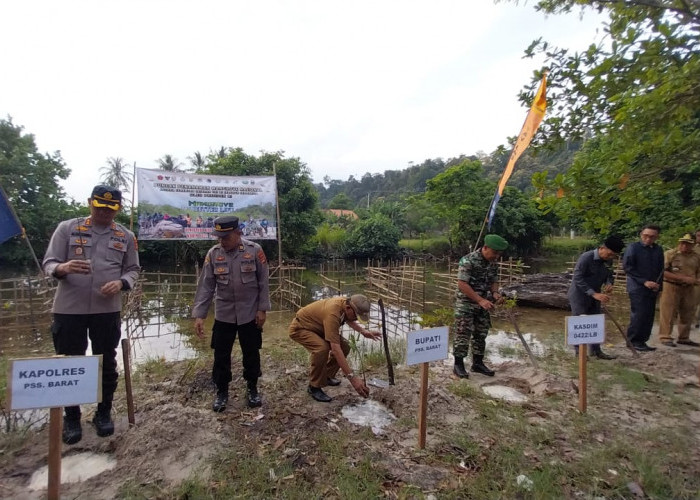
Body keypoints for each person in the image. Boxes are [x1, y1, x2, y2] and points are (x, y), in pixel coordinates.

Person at [42, 185, 140, 445]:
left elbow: (133, 269)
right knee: (68, 364)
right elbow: (48, 263)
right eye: (100, 206)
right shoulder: (68, 228)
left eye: (111, 208)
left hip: (106, 311)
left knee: (106, 362)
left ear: (118, 209)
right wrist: (62, 267)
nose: (104, 212)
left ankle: (103, 412)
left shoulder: (126, 235)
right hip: (68, 309)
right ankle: (72, 417)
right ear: (89, 203)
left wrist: (121, 283)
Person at [192, 216, 270, 412]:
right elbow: (206, 286)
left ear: (238, 233)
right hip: (224, 314)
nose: (222, 241)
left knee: (251, 352)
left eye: (226, 237)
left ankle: (252, 388)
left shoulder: (254, 251)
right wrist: (200, 315)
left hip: (249, 313)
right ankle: (222, 391)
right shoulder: (213, 254)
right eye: (219, 237)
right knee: (221, 355)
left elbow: (263, 282)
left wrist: (262, 309)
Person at [289, 295, 381, 402]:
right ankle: (314, 387)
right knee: (321, 349)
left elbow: (348, 319)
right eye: (356, 316)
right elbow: (336, 349)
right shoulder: (333, 313)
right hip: (301, 327)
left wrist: (364, 332)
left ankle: (327, 376)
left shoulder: (345, 305)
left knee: (345, 347)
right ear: (348, 308)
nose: (356, 319)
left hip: (319, 327)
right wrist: (353, 379)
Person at [453, 234, 508, 378]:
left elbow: (494, 279)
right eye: (494, 253)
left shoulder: (492, 263)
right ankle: (458, 365)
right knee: (462, 333)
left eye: (498, 254)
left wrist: (495, 293)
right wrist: (479, 300)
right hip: (466, 304)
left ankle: (477, 363)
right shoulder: (468, 260)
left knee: (481, 333)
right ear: (485, 248)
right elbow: (462, 284)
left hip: (483, 304)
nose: (496, 256)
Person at [567, 236, 625, 359]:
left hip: (596, 295)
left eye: (613, 256)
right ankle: (580, 353)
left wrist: (609, 283)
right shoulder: (586, 258)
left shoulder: (608, 261)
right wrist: (593, 293)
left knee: (595, 322)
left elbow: (610, 275)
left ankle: (596, 351)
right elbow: (578, 278)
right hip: (579, 294)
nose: (610, 258)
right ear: (602, 248)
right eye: (609, 254)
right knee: (580, 323)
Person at [623, 224, 665, 351]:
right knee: (639, 314)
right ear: (641, 235)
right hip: (637, 287)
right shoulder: (633, 248)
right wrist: (644, 281)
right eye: (646, 236)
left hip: (653, 287)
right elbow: (628, 267)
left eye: (652, 237)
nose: (648, 239)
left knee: (649, 315)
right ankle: (633, 341)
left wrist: (659, 286)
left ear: (657, 237)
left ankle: (642, 341)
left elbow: (661, 269)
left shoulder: (658, 249)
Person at [657, 234, 700, 347]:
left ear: (693, 244)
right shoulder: (670, 254)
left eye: (688, 243)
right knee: (669, 311)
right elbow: (663, 272)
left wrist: (695, 280)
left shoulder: (696, 256)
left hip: (689, 287)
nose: (684, 245)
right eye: (682, 243)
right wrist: (681, 278)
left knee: (688, 311)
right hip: (671, 285)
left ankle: (684, 337)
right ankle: (665, 336)